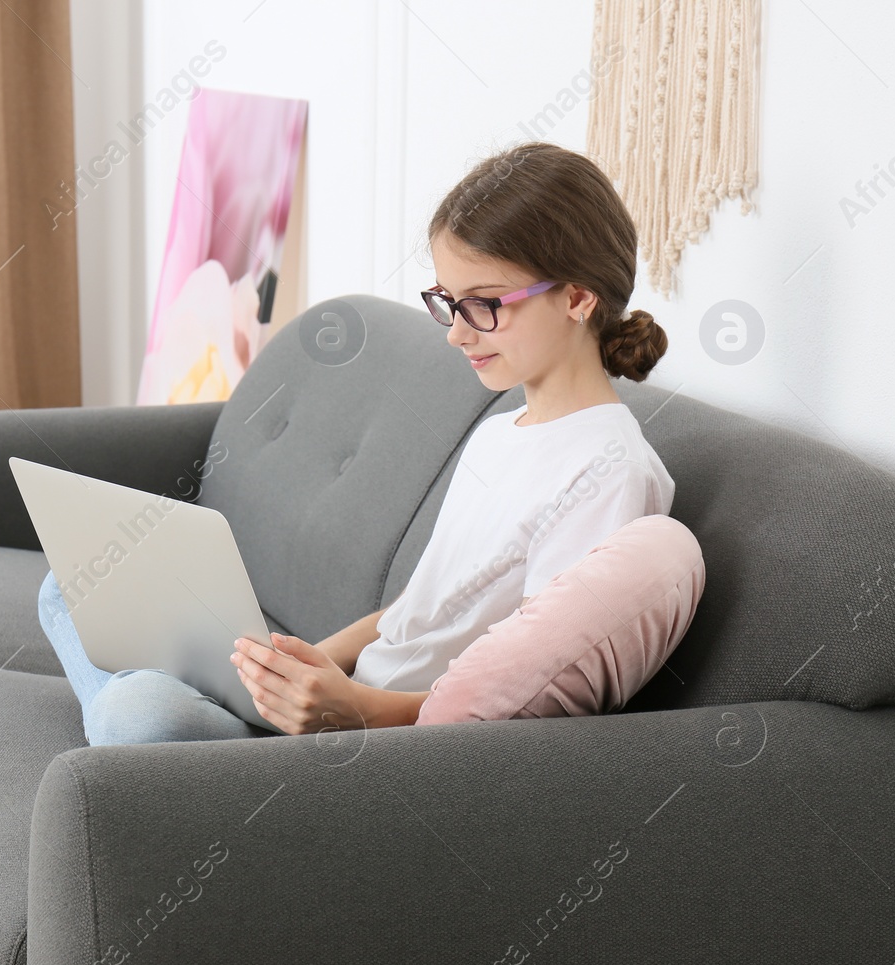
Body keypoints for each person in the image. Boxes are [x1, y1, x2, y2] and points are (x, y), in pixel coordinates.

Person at [37, 141, 706, 746]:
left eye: (483, 304)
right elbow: (417, 610)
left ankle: (139, 739)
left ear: (578, 298)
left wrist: (351, 707)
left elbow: (517, 700)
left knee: (139, 715)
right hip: (329, 704)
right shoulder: (499, 430)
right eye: (448, 302)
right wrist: (307, 660)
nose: (456, 333)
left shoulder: (608, 471)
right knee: (65, 586)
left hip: (373, 741)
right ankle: (154, 739)